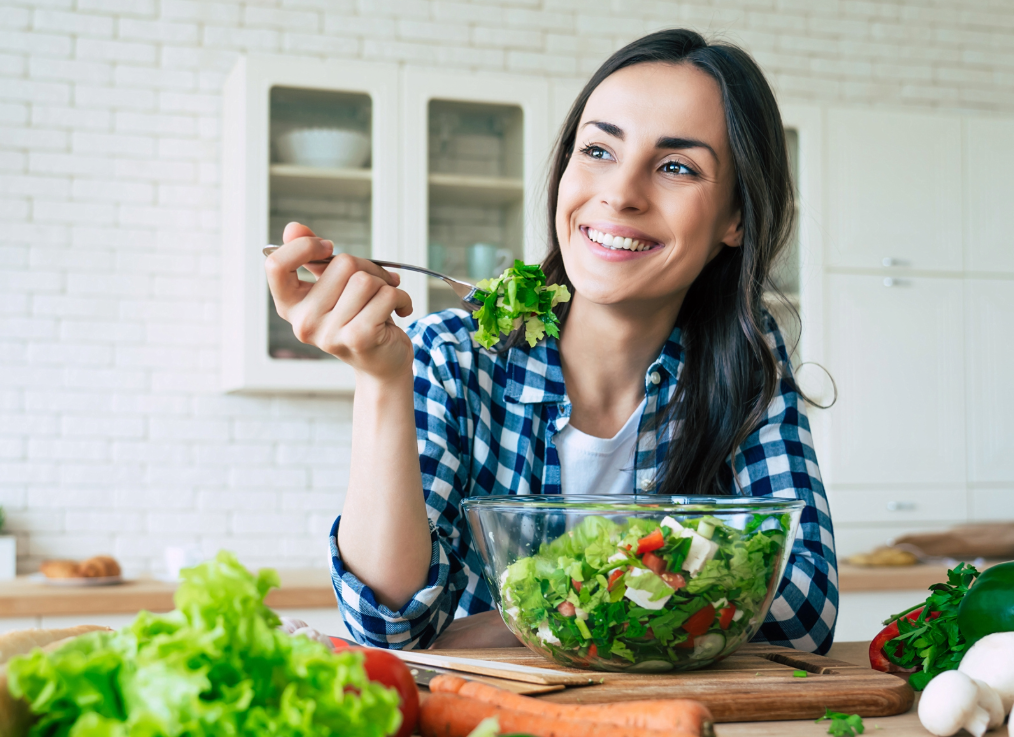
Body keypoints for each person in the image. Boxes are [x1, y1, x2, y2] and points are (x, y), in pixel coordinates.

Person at [265, 28, 838, 654]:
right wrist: (379, 379)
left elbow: (802, 609)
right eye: (598, 151)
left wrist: (519, 619)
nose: (620, 193)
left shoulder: (747, 361)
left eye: (676, 166)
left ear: (735, 217)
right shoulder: (452, 355)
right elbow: (392, 624)